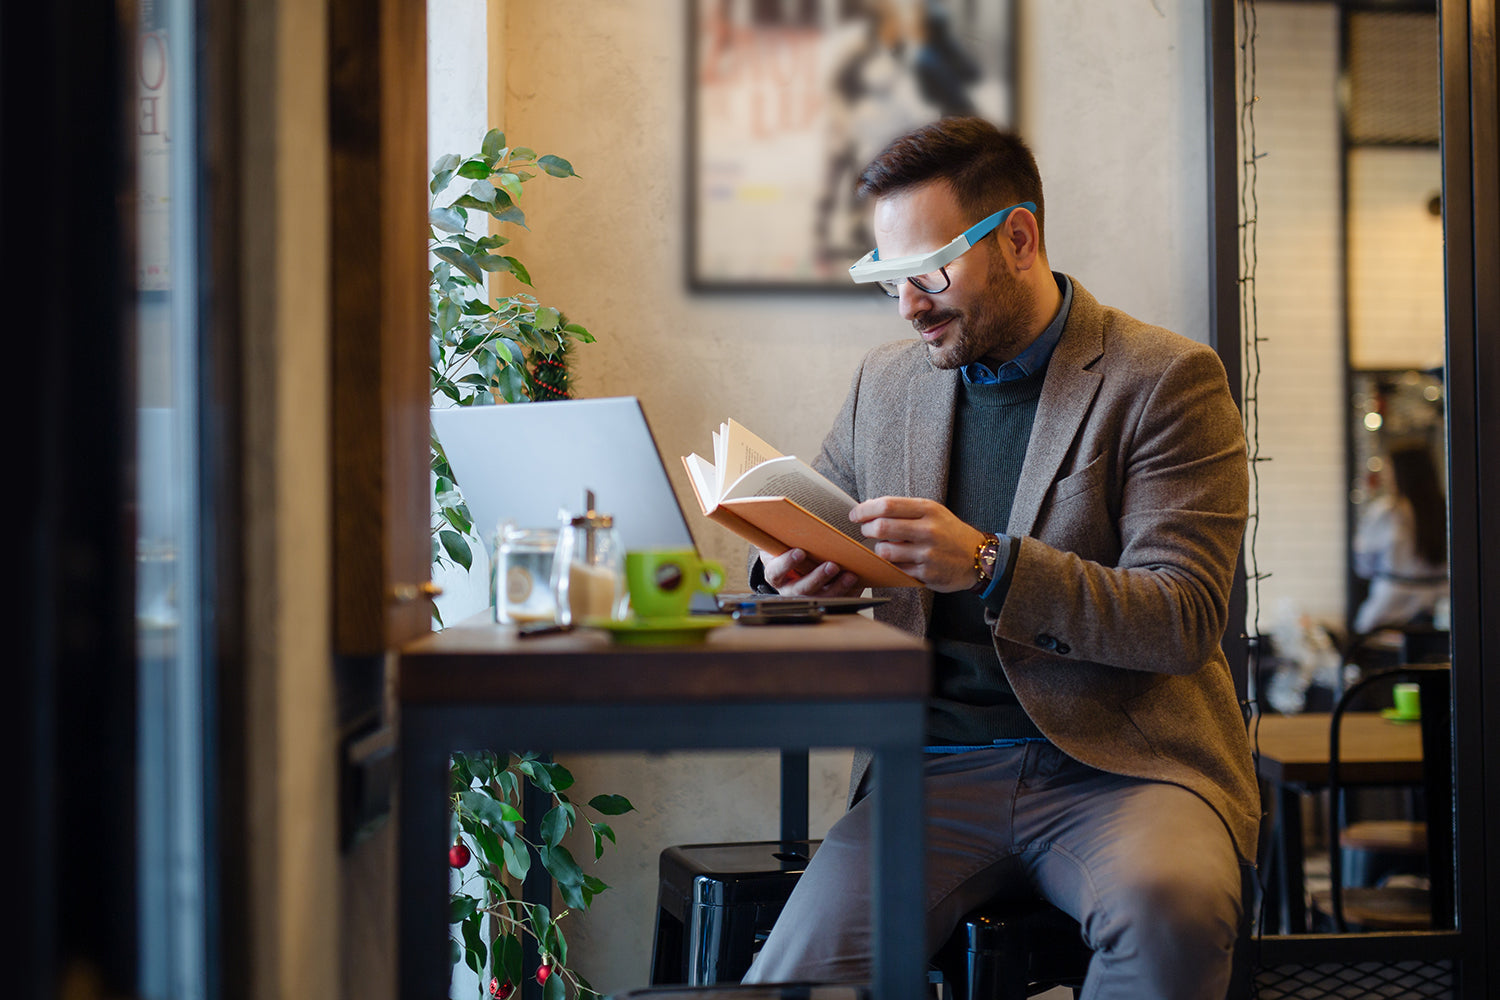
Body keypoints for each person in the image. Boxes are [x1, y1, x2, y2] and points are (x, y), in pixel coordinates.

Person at [741, 118, 1258, 999]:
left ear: (1017, 238)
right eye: (890, 280)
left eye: (929, 272)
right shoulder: (887, 384)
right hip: (932, 769)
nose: (909, 305)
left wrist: (990, 563)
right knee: (798, 977)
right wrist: (784, 570)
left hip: (1124, 767)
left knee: (1173, 912)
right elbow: (814, 513)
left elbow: (1183, 618)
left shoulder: (1165, 379)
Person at [1351, 441, 1448, 636]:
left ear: (1399, 473)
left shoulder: (1386, 512)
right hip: (1442, 610)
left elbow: (1363, 566)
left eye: (1388, 469)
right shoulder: (1447, 509)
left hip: (1390, 612)